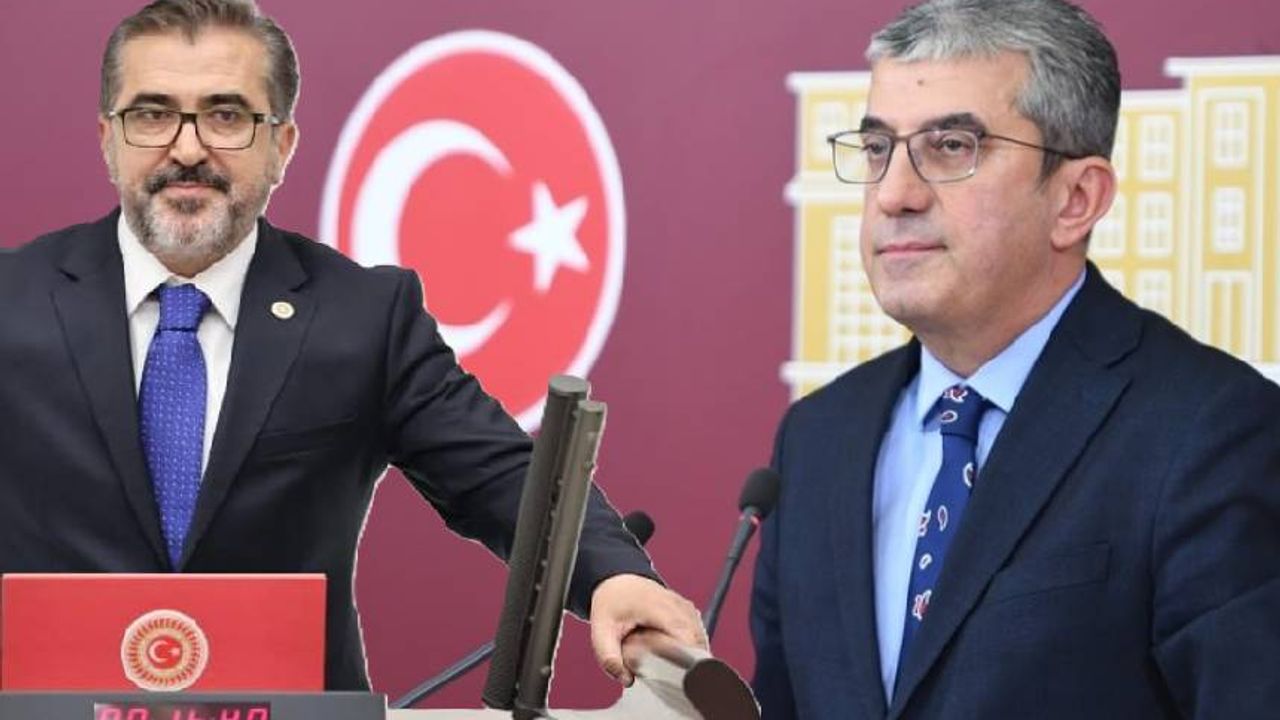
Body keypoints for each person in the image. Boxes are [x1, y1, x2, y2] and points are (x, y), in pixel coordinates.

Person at [0, 0, 703, 691]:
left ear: (282, 145)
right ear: (108, 138)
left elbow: (498, 477)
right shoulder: (12, 301)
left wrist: (613, 574)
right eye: (153, 115)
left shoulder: (362, 317)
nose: (187, 149)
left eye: (227, 116)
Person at [749, 0, 1280, 717]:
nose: (895, 195)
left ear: (1076, 199)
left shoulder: (1209, 431)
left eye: (950, 147)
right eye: (878, 150)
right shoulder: (816, 439)